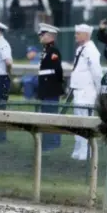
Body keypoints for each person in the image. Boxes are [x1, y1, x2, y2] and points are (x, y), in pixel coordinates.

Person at [70, 24, 102, 161]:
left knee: (84, 122)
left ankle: (85, 152)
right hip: (78, 91)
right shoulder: (80, 49)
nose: (75, 35)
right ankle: (78, 150)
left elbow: (96, 72)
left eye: (78, 33)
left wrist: (99, 90)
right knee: (77, 122)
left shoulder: (91, 51)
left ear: (86, 35)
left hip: (87, 92)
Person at [37, 23, 64, 151]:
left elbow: (57, 72)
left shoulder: (53, 51)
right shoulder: (46, 50)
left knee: (50, 116)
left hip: (51, 89)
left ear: (50, 36)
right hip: (46, 89)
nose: (40, 36)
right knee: (46, 115)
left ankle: (52, 144)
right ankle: (49, 143)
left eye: (42, 34)